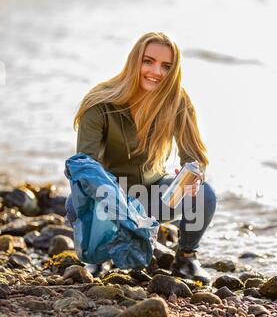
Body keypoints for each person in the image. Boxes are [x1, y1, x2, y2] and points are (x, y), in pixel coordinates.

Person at [66, 31, 217, 284]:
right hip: (108, 195)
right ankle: (97, 255)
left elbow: (194, 155)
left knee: (205, 194)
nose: (156, 71)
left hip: (152, 196)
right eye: (148, 61)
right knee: (73, 203)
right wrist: (117, 206)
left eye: (166, 66)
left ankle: (186, 258)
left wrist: (192, 178)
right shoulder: (100, 102)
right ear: (134, 60)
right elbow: (85, 166)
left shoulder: (177, 101)